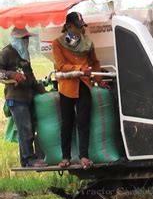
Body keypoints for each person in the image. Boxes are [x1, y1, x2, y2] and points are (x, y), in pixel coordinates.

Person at [52, 12, 108, 169]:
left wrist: (99, 80)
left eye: (82, 26)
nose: (80, 30)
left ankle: (84, 156)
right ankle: (65, 157)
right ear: (68, 26)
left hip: (84, 86)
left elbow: (95, 62)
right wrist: (79, 69)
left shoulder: (87, 43)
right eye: (77, 27)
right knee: (67, 123)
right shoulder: (57, 43)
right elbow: (61, 65)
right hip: (66, 88)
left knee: (84, 122)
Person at [0, 27, 47, 168]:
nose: (26, 41)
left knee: (30, 128)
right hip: (16, 98)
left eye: (27, 39)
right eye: (24, 38)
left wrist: (42, 91)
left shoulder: (24, 54)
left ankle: (27, 159)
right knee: (25, 129)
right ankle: (28, 159)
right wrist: (12, 75)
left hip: (28, 97)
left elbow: (30, 76)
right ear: (16, 39)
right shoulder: (7, 52)